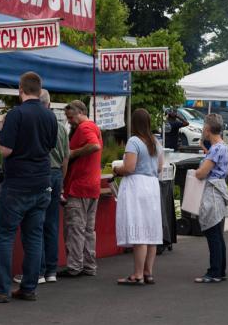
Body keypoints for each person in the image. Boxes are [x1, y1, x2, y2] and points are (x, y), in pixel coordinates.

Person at [0, 72, 57, 303]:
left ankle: (1, 289)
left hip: (17, 184)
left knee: (5, 236)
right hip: (42, 183)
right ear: (39, 90)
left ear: (20, 90)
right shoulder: (50, 116)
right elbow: (50, 147)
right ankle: (29, 287)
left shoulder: (16, 114)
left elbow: (5, 150)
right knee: (33, 237)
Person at [13, 90, 70, 285]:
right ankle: (51, 270)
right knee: (52, 223)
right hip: (56, 176)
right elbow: (66, 157)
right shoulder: (61, 127)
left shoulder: (33, 123)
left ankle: (38, 271)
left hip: (40, 175)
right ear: (50, 103)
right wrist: (61, 179)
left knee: (36, 223)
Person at [113, 109, 163, 285]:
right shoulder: (156, 142)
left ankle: (137, 274)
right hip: (152, 186)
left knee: (140, 230)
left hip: (137, 186)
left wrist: (116, 170)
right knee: (151, 231)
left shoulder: (134, 141)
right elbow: (159, 168)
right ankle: (148, 272)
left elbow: (129, 167)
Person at [58, 100, 103, 278]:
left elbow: (94, 146)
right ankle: (89, 265)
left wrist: (73, 153)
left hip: (80, 187)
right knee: (88, 229)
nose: (69, 121)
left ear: (81, 112)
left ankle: (75, 266)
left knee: (75, 228)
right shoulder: (93, 127)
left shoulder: (84, 128)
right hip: (92, 186)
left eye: (71, 117)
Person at [194, 114, 228, 283]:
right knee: (217, 232)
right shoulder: (221, 146)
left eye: (203, 127)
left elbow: (202, 172)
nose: (202, 130)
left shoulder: (216, 149)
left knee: (212, 232)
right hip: (218, 190)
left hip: (212, 192)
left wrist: (197, 171)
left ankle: (214, 271)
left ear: (208, 130)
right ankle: (219, 269)